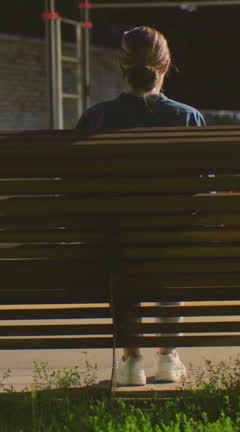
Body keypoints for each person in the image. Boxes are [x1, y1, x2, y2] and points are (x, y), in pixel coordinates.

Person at [75, 26, 205, 386]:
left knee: (120, 249)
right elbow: (203, 190)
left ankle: (131, 361)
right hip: (171, 242)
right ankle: (167, 356)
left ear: (122, 66)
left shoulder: (96, 119)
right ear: (165, 66)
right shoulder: (188, 119)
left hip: (116, 246)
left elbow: (75, 188)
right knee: (172, 244)